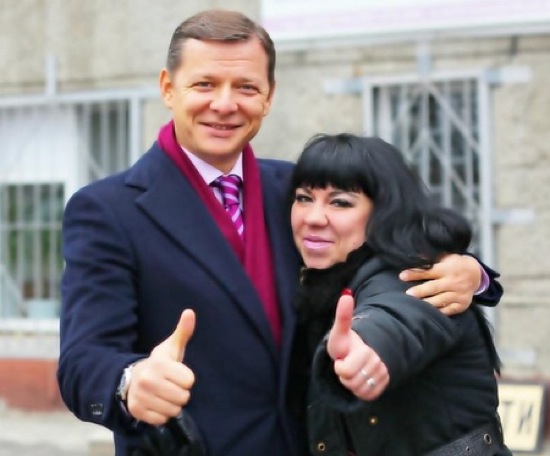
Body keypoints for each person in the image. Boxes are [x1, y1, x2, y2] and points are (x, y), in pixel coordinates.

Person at [57, 9, 503, 456]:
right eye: (205, 84)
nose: (225, 104)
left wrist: (469, 272)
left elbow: (387, 249)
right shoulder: (107, 210)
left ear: (269, 96)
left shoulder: (297, 192)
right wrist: (129, 382)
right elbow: (82, 361)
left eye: (246, 87)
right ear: (168, 88)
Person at [288, 133, 510, 455]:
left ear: (383, 212)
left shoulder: (418, 276)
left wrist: (365, 348)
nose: (313, 217)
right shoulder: (321, 280)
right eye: (304, 198)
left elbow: (396, 315)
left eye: (340, 202)